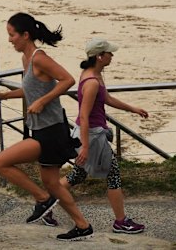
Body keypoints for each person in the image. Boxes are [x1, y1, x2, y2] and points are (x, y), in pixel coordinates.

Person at [0, 12, 93, 241]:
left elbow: (68, 79)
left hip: (51, 131)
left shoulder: (39, 57)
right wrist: (4, 95)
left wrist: (43, 101)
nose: (10, 40)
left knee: (0, 162)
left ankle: (41, 199)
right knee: (54, 184)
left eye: (12, 35)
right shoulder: (26, 60)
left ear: (25, 35)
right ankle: (82, 225)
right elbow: (32, 90)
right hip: (40, 129)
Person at [46, 38, 147, 234]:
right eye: (109, 53)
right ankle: (121, 221)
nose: (112, 55)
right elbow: (83, 115)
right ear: (100, 56)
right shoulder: (92, 81)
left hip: (89, 133)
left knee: (78, 175)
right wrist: (84, 146)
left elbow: (107, 99)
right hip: (91, 135)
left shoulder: (94, 75)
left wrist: (132, 109)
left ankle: (45, 203)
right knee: (113, 174)